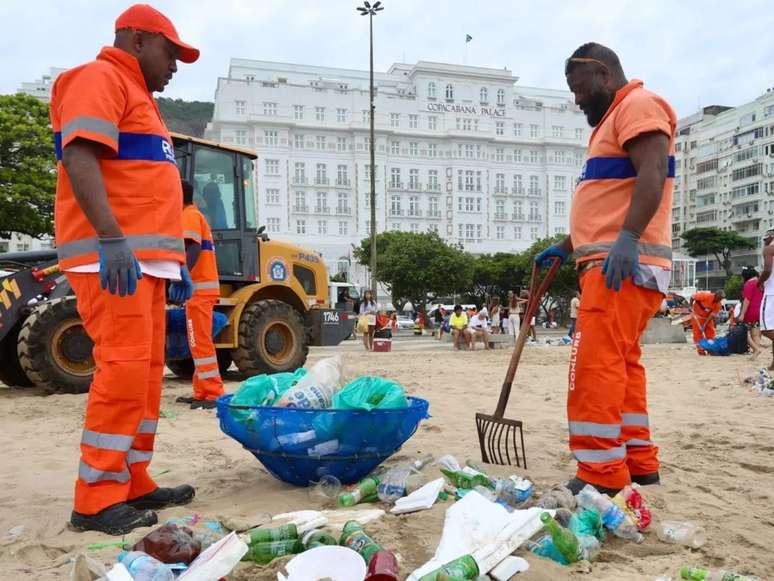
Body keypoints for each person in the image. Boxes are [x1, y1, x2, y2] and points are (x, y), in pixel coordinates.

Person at [51, 4, 199, 534]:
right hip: (111, 260)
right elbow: (80, 156)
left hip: (146, 265)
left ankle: (131, 479)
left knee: (143, 377)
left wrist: (174, 263)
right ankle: (94, 498)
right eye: (171, 52)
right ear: (137, 41)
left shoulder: (141, 100)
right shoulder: (100, 78)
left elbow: (148, 189)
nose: (176, 66)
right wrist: (111, 238)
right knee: (121, 372)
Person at [534, 43, 676, 495]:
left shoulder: (636, 104)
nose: (577, 100)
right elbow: (608, 200)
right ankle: (638, 463)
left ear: (602, 73)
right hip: (616, 262)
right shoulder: (613, 121)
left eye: (579, 88)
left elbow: (652, 171)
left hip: (620, 266)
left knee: (594, 367)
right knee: (623, 366)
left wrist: (628, 240)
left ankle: (600, 473)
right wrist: (564, 245)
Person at [175, 180, 223, 409]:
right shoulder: (193, 215)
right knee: (198, 343)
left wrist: (179, 275)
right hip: (200, 291)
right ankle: (202, 391)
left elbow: (192, 248)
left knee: (199, 342)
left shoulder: (189, 216)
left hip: (200, 290)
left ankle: (212, 392)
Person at [757, 230, 774, 369]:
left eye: (765, 239)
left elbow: (767, 270)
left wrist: (759, 282)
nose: (765, 242)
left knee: (766, 329)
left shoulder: (769, 249)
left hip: (771, 293)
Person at [690, 290, 724, 354]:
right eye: (719, 298)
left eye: (721, 299)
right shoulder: (705, 295)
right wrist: (690, 306)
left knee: (711, 333)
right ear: (715, 295)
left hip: (707, 318)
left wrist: (705, 324)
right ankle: (700, 350)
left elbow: (712, 315)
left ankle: (710, 348)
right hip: (697, 316)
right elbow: (692, 297)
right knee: (697, 334)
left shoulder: (718, 305)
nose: (720, 300)